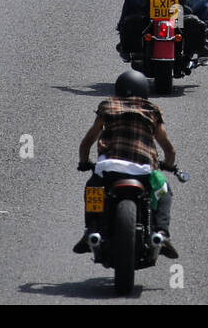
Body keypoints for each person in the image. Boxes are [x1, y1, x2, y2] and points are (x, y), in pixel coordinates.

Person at [74, 70, 178, 258]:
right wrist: (169, 165)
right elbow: (169, 149)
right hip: (144, 169)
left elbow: (87, 141)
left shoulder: (107, 106)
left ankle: (91, 229)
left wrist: (83, 162)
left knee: (93, 189)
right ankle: (161, 233)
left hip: (110, 167)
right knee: (164, 191)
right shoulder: (152, 110)